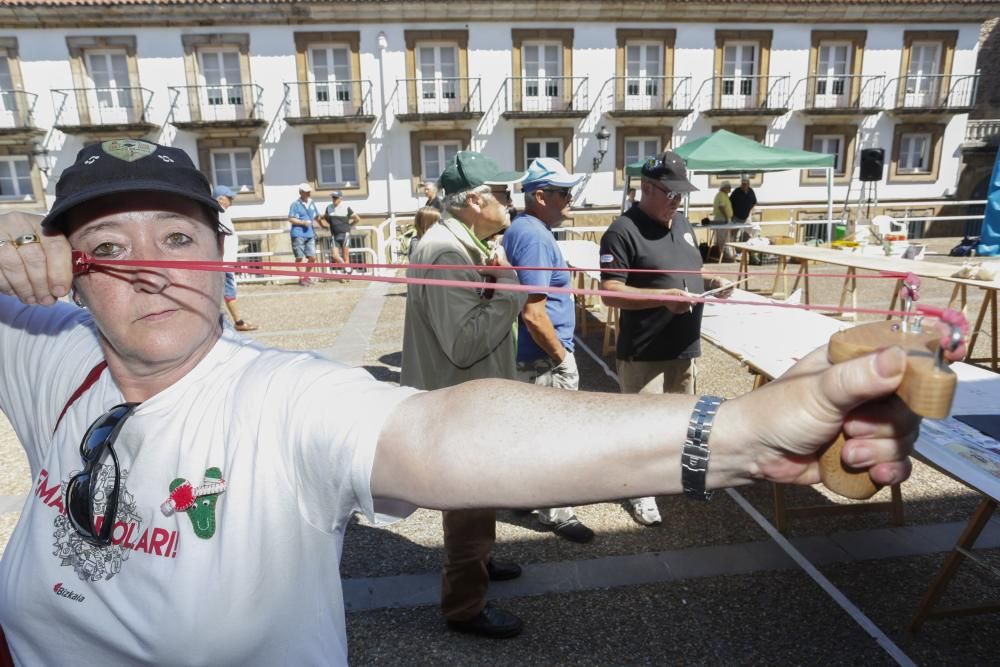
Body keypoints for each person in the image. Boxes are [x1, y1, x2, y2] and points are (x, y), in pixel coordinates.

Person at [0, 139, 932, 666]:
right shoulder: (50, 352)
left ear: (220, 257)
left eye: (176, 235)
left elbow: (440, 432)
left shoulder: (278, 397)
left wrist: (743, 432)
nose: (154, 267)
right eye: (110, 246)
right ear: (71, 274)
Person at [401, 151, 527, 639]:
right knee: (469, 500)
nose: (509, 202)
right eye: (502, 193)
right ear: (475, 200)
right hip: (460, 404)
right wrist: (511, 291)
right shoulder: (448, 253)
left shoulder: (461, 243)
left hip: (469, 398)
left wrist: (494, 282)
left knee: (479, 495)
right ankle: (464, 606)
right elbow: (463, 343)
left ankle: (481, 564)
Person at [599, 150, 735, 527]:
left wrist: (712, 283)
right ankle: (640, 492)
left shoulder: (684, 225)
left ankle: (673, 480)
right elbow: (609, 292)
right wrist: (661, 299)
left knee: (682, 421)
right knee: (642, 430)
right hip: (644, 353)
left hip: (683, 347)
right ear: (647, 188)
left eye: (680, 194)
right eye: (670, 193)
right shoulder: (622, 231)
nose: (676, 201)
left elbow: (690, 271)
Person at [502, 157, 594, 545]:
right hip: (541, 354)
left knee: (530, 433)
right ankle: (558, 513)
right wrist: (562, 357)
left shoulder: (526, 229)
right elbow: (534, 311)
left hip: (531, 353)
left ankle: (527, 497)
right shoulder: (536, 236)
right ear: (540, 196)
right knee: (554, 437)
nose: (569, 198)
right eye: (562, 192)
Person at [213, 185, 258, 332]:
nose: (231, 200)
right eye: (229, 198)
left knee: (224, 292)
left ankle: (225, 321)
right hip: (224, 263)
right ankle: (238, 322)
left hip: (227, 262)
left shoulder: (221, 212)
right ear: (220, 199)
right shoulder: (218, 212)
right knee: (228, 292)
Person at [288, 182, 322, 286]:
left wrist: (324, 224)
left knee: (312, 257)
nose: (308, 194)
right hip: (298, 234)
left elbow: (317, 216)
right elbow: (290, 218)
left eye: (309, 192)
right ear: (301, 192)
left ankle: (306, 276)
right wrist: (303, 223)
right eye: (306, 192)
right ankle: (302, 278)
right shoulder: (295, 204)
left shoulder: (312, 203)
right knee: (299, 257)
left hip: (310, 233)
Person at [323, 190, 361, 281]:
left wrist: (350, 226)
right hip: (334, 235)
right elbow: (326, 218)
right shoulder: (328, 208)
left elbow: (357, 219)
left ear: (340, 198)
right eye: (332, 197)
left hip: (345, 234)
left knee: (345, 256)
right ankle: (348, 269)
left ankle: (346, 276)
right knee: (334, 255)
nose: (333, 199)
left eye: (335, 197)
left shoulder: (346, 207)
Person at [711, 180, 735, 261]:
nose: (730, 189)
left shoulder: (724, 195)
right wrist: (726, 218)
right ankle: (723, 255)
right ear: (723, 188)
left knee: (724, 238)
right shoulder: (721, 195)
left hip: (723, 218)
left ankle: (724, 255)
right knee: (723, 238)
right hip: (722, 219)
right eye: (728, 187)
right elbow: (721, 207)